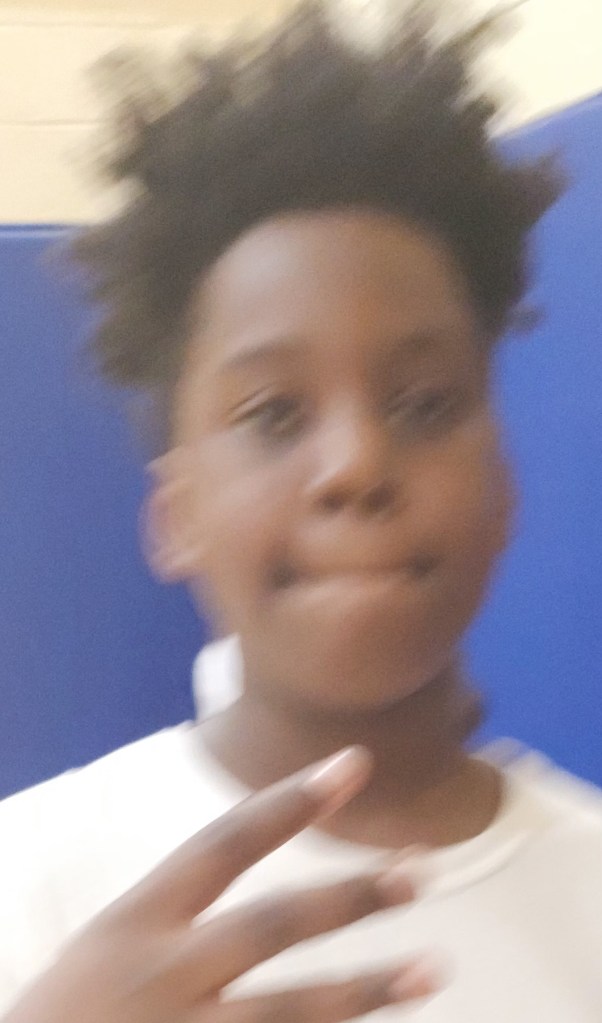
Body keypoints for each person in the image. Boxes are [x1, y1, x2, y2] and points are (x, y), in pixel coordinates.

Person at [2, 2, 602, 1020]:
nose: (356, 464)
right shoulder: (29, 883)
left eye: (424, 404)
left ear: (503, 485)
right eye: (274, 414)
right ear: (177, 515)